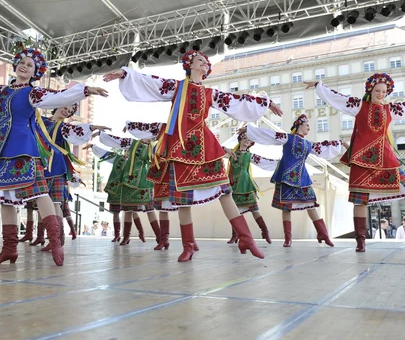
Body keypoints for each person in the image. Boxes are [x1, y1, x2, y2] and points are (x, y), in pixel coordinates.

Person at [104, 50, 282, 262]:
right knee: (183, 200)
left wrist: (264, 103)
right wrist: (125, 73)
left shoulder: (210, 93)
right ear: (189, 65)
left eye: (206, 62)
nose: (205, 63)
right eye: (200, 60)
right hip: (179, 147)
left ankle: (247, 239)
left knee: (224, 192)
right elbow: (152, 82)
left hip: (205, 146)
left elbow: (235, 100)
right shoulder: (177, 87)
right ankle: (188, 244)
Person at [0, 48, 108, 266]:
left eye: (30, 65)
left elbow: (59, 96)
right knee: (4, 198)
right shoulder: (3, 91)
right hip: (1, 148)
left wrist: (84, 91)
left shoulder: (32, 93)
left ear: (35, 73)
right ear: (16, 65)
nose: (24, 66)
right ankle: (9, 249)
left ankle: (55, 241)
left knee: (38, 192)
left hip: (23, 146)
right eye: (22, 62)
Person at [306, 73, 405, 252]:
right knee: (360, 201)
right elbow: (338, 98)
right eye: (377, 90)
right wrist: (319, 86)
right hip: (362, 159)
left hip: (386, 158)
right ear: (370, 90)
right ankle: (360, 241)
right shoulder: (358, 105)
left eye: (384, 91)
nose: (381, 94)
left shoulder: (390, 109)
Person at [242, 117, 346, 248]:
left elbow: (322, 146)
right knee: (286, 207)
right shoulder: (287, 138)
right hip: (286, 176)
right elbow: (270, 135)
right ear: (299, 125)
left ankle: (323, 234)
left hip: (302, 177)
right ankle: (288, 239)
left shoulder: (309, 144)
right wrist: (249, 130)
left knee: (310, 205)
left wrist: (339, 142)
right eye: (307, 125)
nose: (309, 127)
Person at [34, 104, 109, 252]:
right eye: (64, 107)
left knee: (55, 202)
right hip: (41, 164)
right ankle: (51, 237)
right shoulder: (41, 121)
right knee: (42, 202)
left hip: (56, 165)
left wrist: (93, 127)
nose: (66, 111)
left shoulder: (63, 127)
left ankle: (57, 238)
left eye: (69, 111)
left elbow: (77, 130)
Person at [97, 131, 161, 246]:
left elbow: (154, 158)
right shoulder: (131, 143)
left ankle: (159, 238)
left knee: (149, 210)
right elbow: (115, 142)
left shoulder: (152, 147)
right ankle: (126, 237)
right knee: (127, 210)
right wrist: (99, 136)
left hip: (144, 182)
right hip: (128, 182)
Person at [223, 131, 279, 245]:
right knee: (235, 212)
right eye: (244, 138)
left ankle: (265, 231)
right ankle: (235, 235)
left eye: (248, 140)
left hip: (247, 185)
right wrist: (223, 148)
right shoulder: (231, 153)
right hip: (234, 185)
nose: (246, 141)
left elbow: (265, 161)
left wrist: (281, 163)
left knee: (254, 210)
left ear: (250, 144)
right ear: (240, 140)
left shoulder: (250, 155)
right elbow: (218, 152)